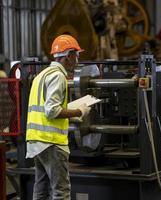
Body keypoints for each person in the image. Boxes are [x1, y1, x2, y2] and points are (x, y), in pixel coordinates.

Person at [26, 34, 91, 200]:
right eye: (76, 55)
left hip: (37, 141)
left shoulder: (42, 75)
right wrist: (79, 112)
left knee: (40, 190)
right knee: (61, 191)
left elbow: (45, 108)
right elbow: (52, 110)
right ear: (68, 56)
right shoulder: (58, 76)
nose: (77, 60)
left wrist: (68, 112)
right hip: (52, 142)